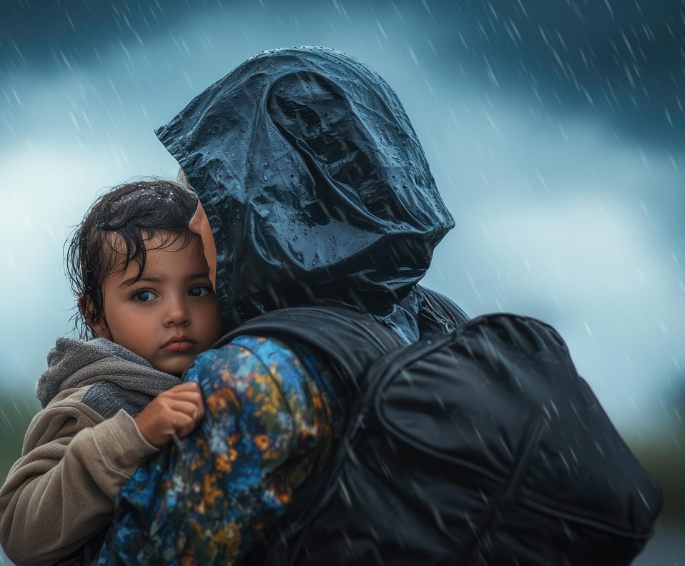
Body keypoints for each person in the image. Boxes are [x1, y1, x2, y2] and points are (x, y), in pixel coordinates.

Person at [98, 47, 469, 565]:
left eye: (208, 200)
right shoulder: (440, 323)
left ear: (273, 202)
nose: (194, 225)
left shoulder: (259, 377)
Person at [0, 180, 222, 566]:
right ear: (95, 314)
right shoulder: (97, 399)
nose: (178, 313)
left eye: (199, 290)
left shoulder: (228, 371)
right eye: (145, 295)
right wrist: (134, 438)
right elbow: (19, 529)